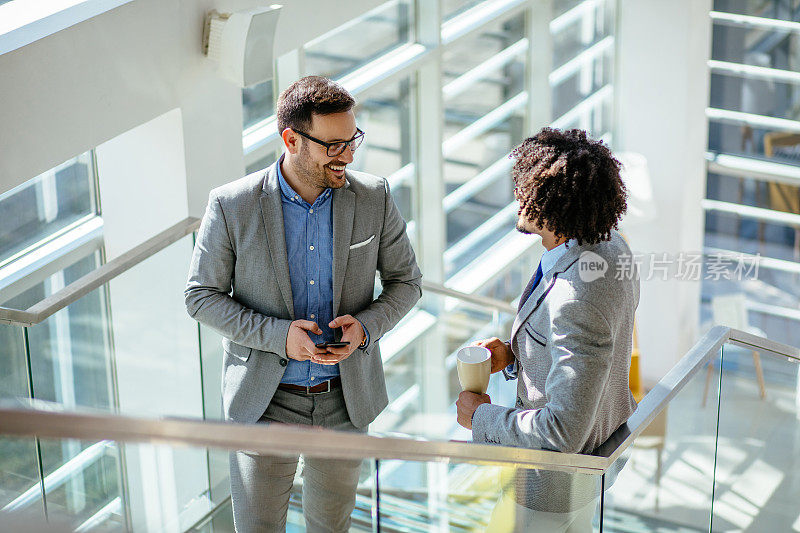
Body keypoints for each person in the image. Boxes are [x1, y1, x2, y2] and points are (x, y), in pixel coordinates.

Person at [185, 76, 422, 532]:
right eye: (334, 146)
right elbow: (200, 297)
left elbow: (406, 281)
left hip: (345, 401)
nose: (348, 156)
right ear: (291, 139)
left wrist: (366, 327)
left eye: (353, 141)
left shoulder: (374, 196)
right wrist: (279, 337)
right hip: (265, 402)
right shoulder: (232, 206)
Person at [455, 127, 639, 532]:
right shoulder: (609, 245)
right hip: (592, 467)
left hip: (550, 490)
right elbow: (588, 353)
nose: (518, 199)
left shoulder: (577, 295)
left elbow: (561, 432)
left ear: (552, 204)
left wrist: (481, 417)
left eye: (525, 190)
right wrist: (514, 353)